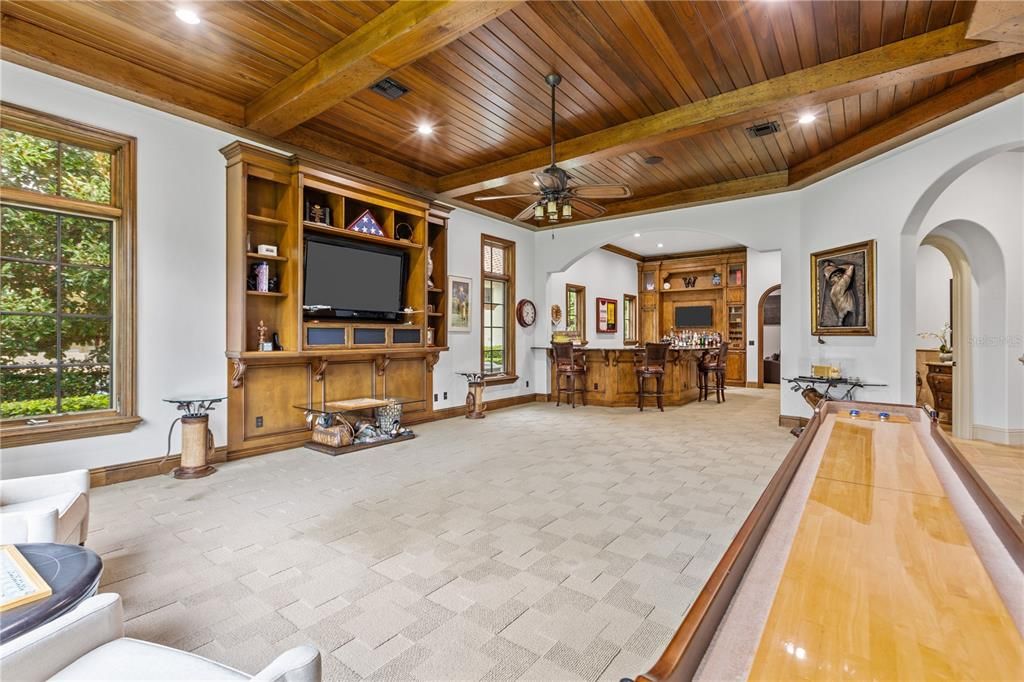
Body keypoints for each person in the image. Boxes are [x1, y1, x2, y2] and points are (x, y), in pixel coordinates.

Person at [822, 260, 856, 325]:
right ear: (831, 281)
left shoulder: (833, 290)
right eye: (835, 275)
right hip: (847, 316)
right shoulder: (839, 286)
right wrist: (836, 266)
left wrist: (831, 267)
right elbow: (850, 267)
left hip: (843, 317)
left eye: (839, 272)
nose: (838, 275)